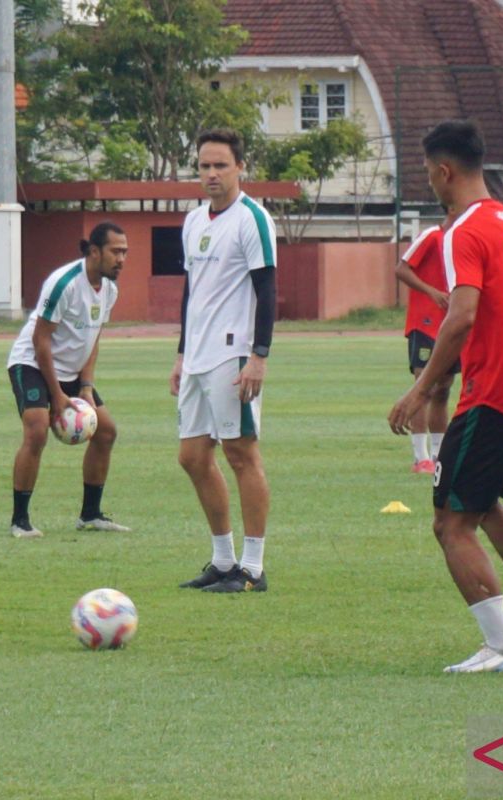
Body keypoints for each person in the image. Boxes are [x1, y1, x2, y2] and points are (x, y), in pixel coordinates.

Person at [389, 120, 503, 673]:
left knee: (450, 522)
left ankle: (502, 647)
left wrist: (422, 388)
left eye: (428, 173)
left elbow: (461, 314)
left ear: (444, 171)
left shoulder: (463, 230)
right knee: (485, 503)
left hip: (490, 396)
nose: (431, 183)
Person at [172, 128, 276, 594]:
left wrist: (259, 357)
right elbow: (191, 292)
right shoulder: (193, 221)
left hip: (234, 354)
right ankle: (222, 560)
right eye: (204, 166)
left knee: (241, 455)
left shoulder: (252, 219)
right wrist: (180, 353)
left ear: (239, 167)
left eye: (221, 165)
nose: (211, 174)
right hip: (197, 356)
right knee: (193, 457)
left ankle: (252, 569)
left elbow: (267, 289)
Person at [7, 222, 129, 538]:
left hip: (72, 371)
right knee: (36, 430)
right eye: (116, 251)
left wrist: (85, 386)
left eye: (125, 252)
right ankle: (20, 521)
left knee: (106, 431)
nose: (121, 259)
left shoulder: (110, 290)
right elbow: (40, 340)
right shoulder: (64, 283)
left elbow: (93, 339)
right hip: (32, 362)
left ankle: (90, 515)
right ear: (93, 251)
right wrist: (57, 395)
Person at [394, 210, 458, 473]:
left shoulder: (464, 240)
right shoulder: (433, 236)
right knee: (424, 388)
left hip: (452, 324)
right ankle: (421, 457)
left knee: (443, 390)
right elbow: (402, 269)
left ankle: (438, 455)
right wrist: (431, 292)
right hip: (426, 324)